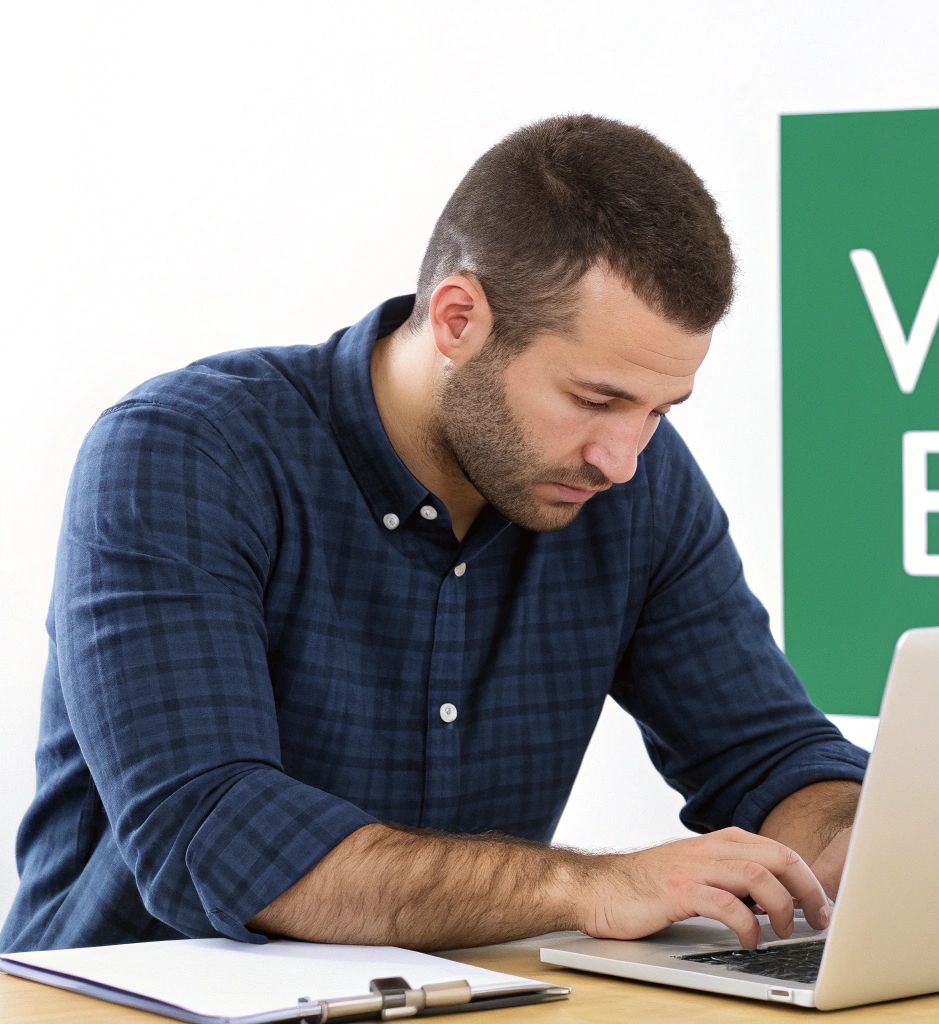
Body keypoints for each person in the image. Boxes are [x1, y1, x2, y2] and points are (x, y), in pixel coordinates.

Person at [0, 115, 866, 954]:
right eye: (595, 399)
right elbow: (213, 837)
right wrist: (588, 886)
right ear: (458, 319)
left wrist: (854, 840)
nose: (623, 459)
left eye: (658, 411)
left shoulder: (634, 485)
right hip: (117, 1004)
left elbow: (770, 757)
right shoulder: (187, 453)